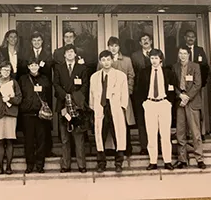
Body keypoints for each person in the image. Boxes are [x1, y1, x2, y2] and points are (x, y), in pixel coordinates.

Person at [90, 50, 130, 173]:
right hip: (101, 107)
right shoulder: (95, 77)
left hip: (115, 107)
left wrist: (122, 107)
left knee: (117, 134)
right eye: (103, 60)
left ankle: (118, 162)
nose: (106, 62)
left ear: (112, 60)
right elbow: (91, 94)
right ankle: (101, 163)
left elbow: (125, 93)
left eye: (108, 59)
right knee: (100, 135)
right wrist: (94, 107)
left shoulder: (120, 75)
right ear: (100, 62)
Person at [136, 49, 175, 171]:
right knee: (151, 133)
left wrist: (169, 102)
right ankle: (153, 161)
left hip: (163, 103)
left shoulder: (168, 72)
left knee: (165, 134)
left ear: (161, 59)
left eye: (156, 58)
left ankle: (167, 160)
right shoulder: (144, 72)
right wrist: (144, 103)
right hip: (150, 103)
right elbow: (139, 89)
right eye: (152, 58)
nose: (154, 61)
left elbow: (173, 88)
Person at [54, 44, 88, 173]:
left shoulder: (82, 68)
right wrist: (66, 96)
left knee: (78, 137)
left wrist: (74, 98)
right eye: (67, 52)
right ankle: (65, 165)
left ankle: (81, 165)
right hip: (63, 105)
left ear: (75, 54)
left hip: (77, 106)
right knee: (65, 138)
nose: (69, 54)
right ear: (64, 54)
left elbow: (85, 85)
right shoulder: (59, 68)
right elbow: (55, 84)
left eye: (72, 52)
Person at [172, 47, 206, 169]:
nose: (182, 55)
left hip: (192, 102)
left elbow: (198, 84)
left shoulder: (195, 66)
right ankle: (182, 159)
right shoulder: (175, 67)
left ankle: (199, 158)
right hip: (180, 102)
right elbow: (173, 84)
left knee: (195, 132)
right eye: (180, 53)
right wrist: (180, 95)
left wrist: (187, 97)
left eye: (185, 53)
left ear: (189, 54)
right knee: (180, 132)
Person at [19, 58, 52, 174]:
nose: (33, 67)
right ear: (28, 66)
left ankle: (39, 165)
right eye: (31, 65)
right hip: (27, 114)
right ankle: (29, 165)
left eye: (35, 65)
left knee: (41, 140)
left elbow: (48, 95)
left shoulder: (44, 79)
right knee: (28, 141)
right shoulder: (23, 79)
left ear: (39, 66)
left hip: (40, 114)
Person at [0, 61, 22, 175]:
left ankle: (8, 166)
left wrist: (10, 99)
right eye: (4, 69)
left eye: (8, 70)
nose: (6, 72)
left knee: (9, 140)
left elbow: (19, 99)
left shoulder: (14, 83)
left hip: (10, 114)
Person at [105, 36, 136, 156]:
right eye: (111, 46)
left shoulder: (127, 60)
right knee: (110, 122)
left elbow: (131, 76)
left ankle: (126, 147)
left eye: (115, 46)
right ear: (108, 47)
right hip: (109, 97)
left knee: (124, 122)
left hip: (123, 97)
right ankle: (111, 148)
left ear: (119, 47)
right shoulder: (104, 59)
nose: (113, 48)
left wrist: (128, 91)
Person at [183, 30, 209, 138]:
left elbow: (205, 67)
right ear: (185, 38)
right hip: (184, 86)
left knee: (198, 110)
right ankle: (187, 133)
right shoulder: (181, 50)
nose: (190, 39)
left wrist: (202, 83)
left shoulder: (200, 50)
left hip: (197, 86)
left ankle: (200, 133)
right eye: (188, 36)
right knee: (185, 112)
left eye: (193, 37)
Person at [131, 33, 153, 155]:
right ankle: (144, 146)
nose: (145, 41)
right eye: (142, 40)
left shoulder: (157, 54)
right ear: (140, 43)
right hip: (140, 93)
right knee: (142, 120)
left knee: (155, 121)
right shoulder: (135, 56)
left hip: (155, 93)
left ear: (151, 41)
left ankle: (156, 145)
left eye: (147, 39)